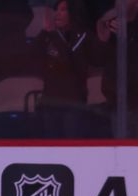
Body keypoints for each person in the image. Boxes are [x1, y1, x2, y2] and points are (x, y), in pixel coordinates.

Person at [32, 0, 96, 137]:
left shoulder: (83, 37)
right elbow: (32, 57)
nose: (57, 14)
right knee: (50, 147)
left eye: (63, 10)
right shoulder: (47, 36)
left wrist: (53, 35)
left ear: (72, 13)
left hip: (73, 103)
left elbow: (72, 62)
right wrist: (45, 32)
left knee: (71, 143)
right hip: (50, 102)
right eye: (56, 10)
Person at [95, 0, 138, 136]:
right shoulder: (112, 25)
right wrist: (103, 24)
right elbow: (97, 58)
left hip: (134, 102)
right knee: (121, 149)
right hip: (118, 104)